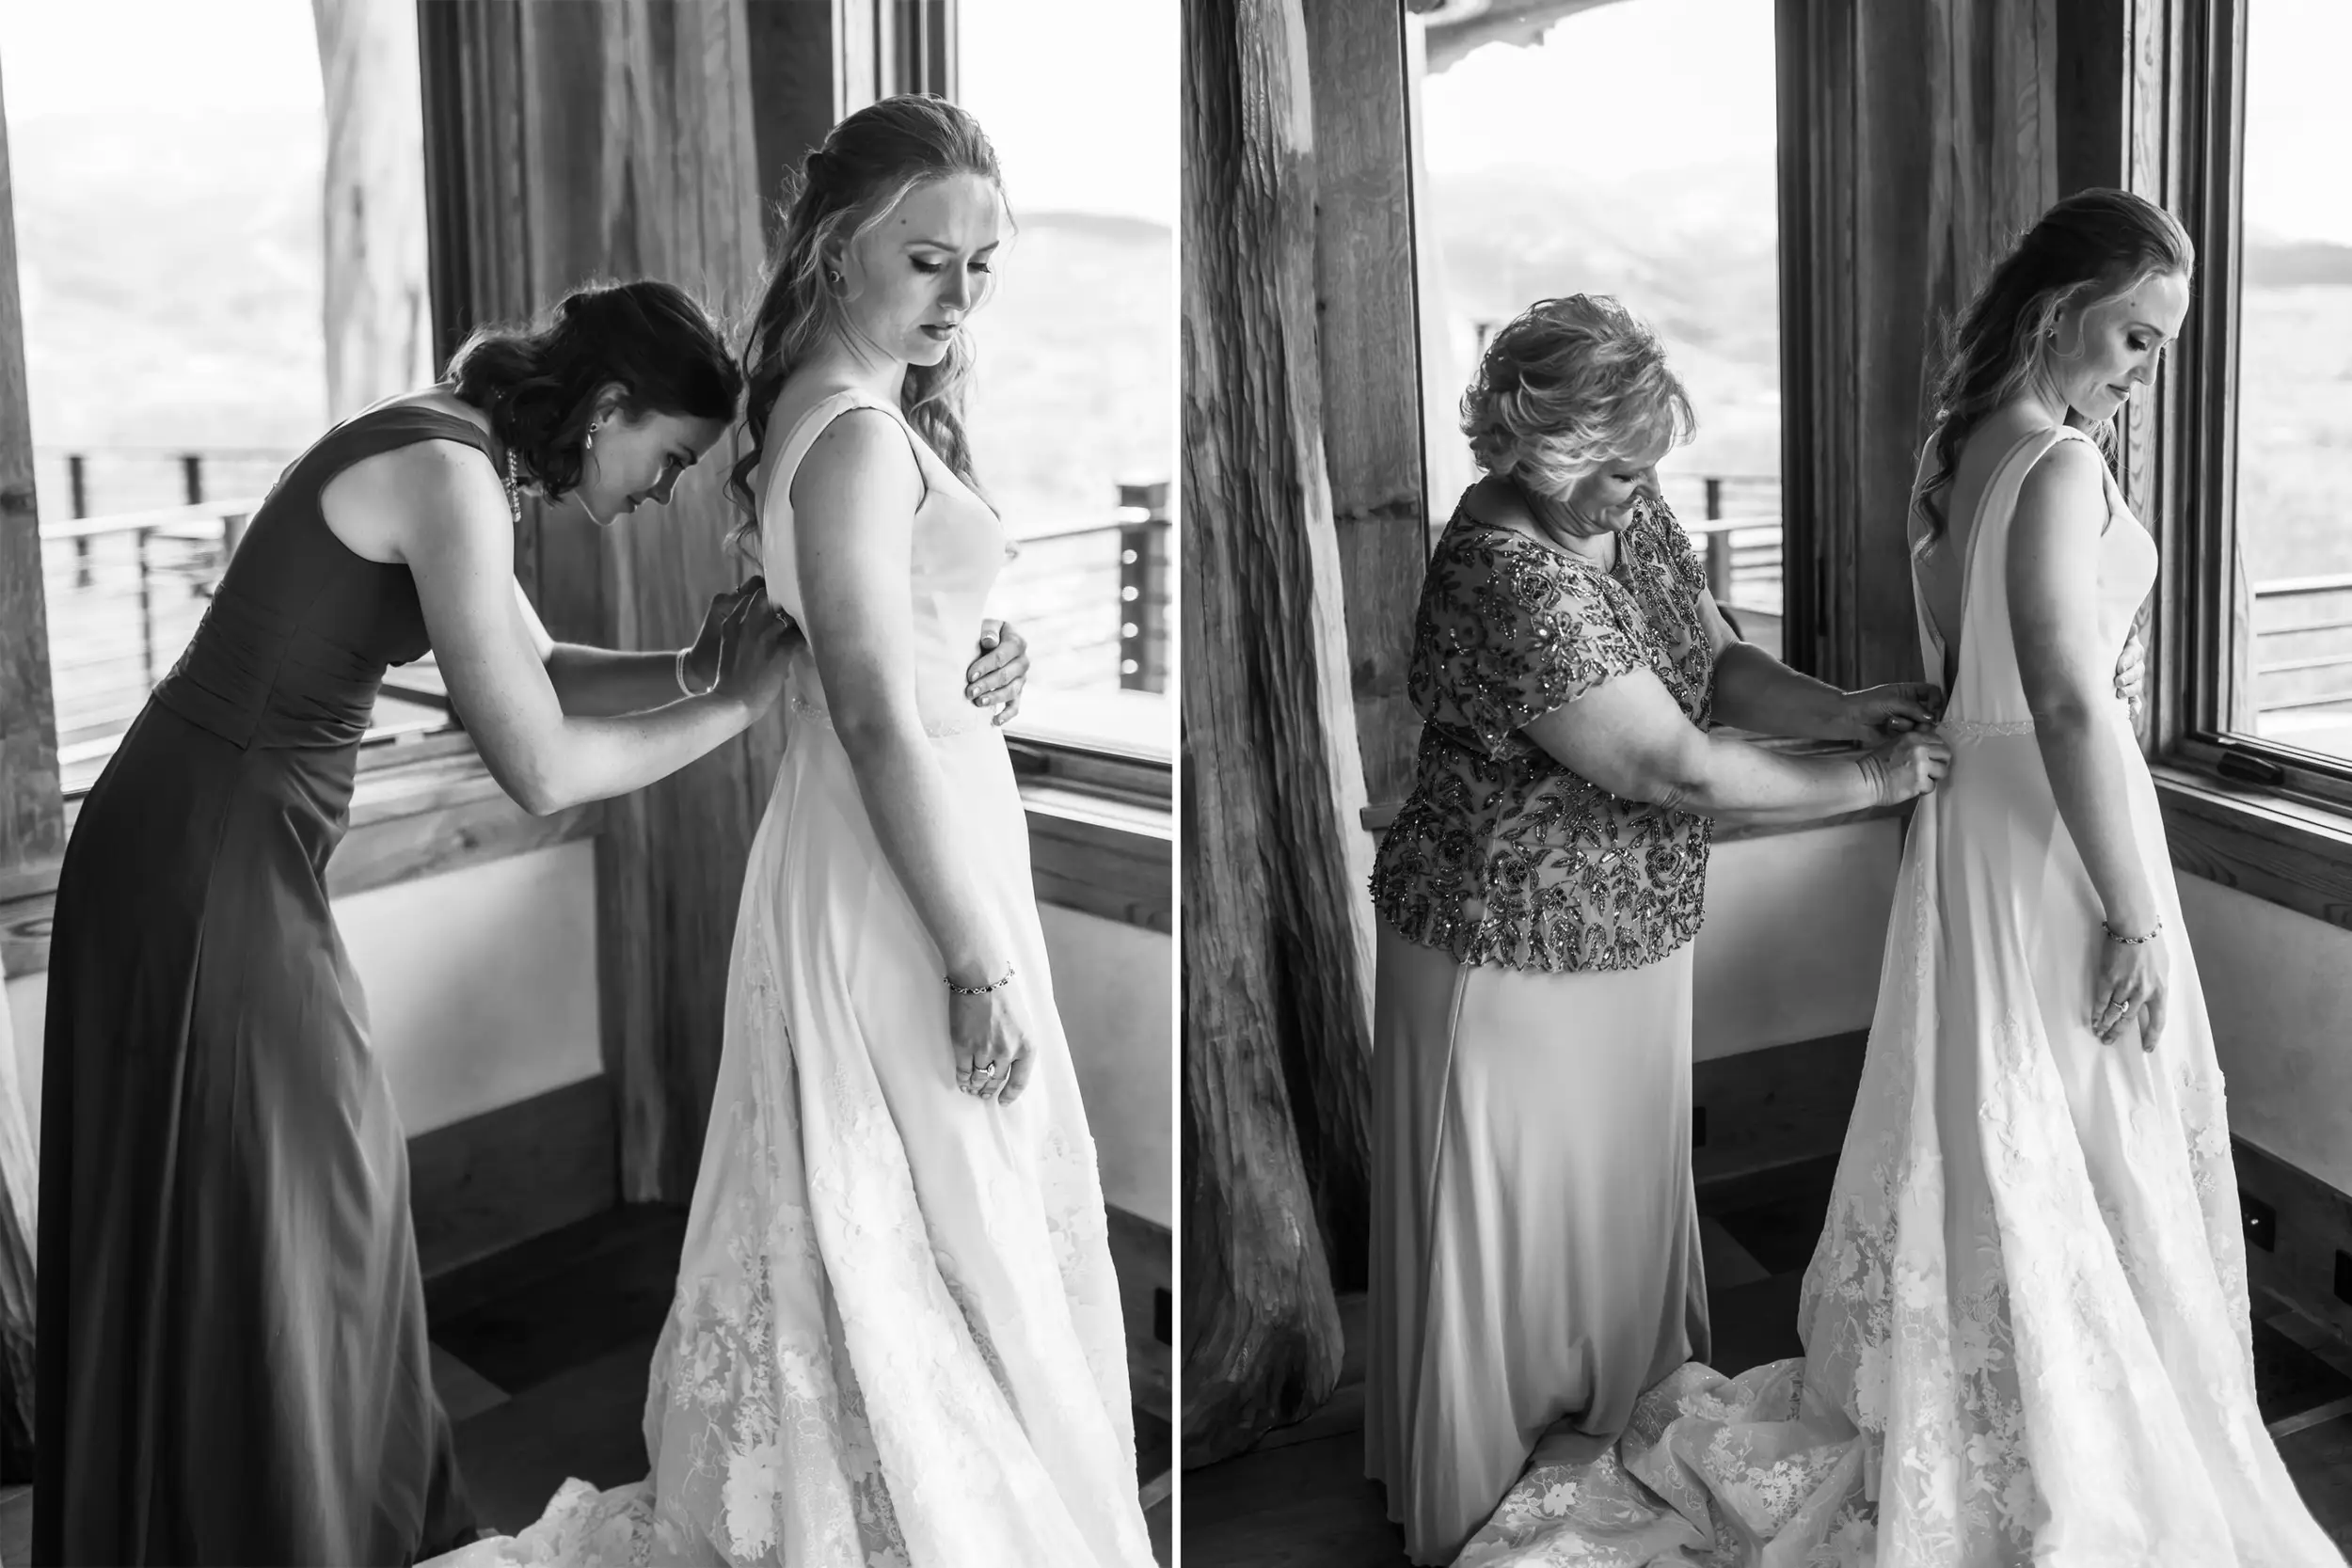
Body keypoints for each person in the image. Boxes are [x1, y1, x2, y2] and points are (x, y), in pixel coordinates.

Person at [31, 276, 1030, 1566]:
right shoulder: (446, 476)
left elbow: (542, 664)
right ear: (607, 408)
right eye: (666, 459)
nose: (664, 492)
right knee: (303, 1179)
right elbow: (544, 765)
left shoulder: (457, 454)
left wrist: (697, 665)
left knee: (306, 1183)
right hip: (199, 850)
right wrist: (736, 711)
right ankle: (274, 1522)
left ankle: (269, 1508)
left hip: (218, 834)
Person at [1456, 192, 2344, 1567]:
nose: (2143, 372)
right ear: (2061, 314)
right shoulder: (2050, 469)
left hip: (1972, 824)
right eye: (2134, 338)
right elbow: (2066, 700)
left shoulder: (1957, 448)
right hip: (2051, 832)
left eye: (2161, 347)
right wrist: (2137, 911)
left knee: (1991, 1114)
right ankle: (2063, 1430)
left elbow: (1972, 674)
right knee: (2073, 1115)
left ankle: (1987, 1394)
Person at [433, 94, 1154, 1568]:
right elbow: (875, 713)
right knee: (922, 1212)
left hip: (901, 828)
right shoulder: (851, 434)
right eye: (928, 262)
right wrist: (971, 955)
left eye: (983, 265)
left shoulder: (841, 412)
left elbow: (879, 641)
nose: (960, 297)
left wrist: (980, 642)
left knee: (919, 1215)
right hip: (901, 867)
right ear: (837, 252)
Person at [1363, 293, 1951, 1565]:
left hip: (1631, 929)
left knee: (1617, 1195)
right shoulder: (1504, 573)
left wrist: (1846, 711)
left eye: (1646, 469)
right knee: (1517, 1217)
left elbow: (1716, 662)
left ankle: (1614, 1426)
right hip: (1501, 946)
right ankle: (1489, 1470)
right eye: (1615, 471)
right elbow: (1674, 766)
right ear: (1534, 451)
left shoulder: (1623, 513)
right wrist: (1876, 784)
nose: (1636, 495)